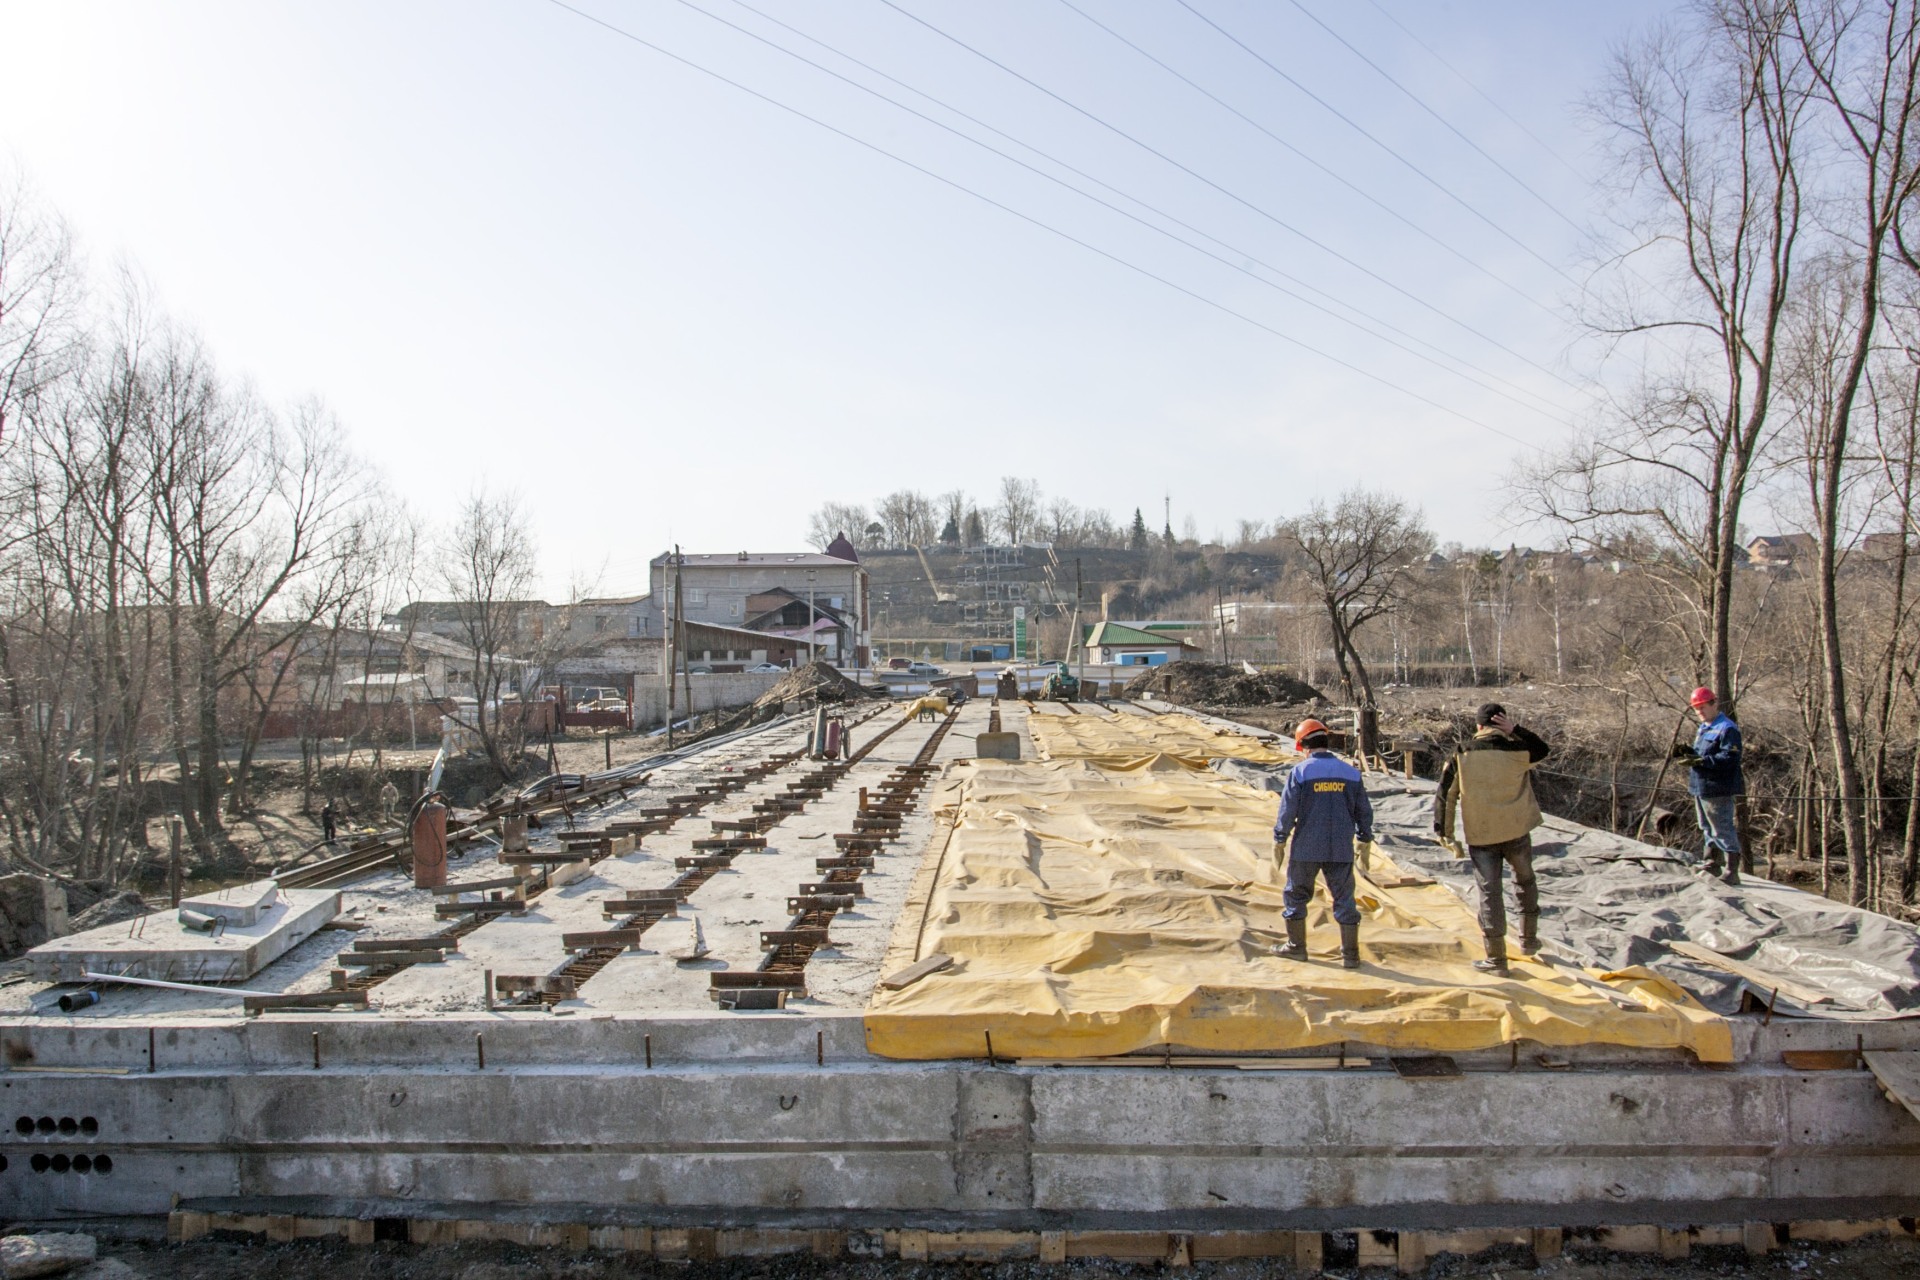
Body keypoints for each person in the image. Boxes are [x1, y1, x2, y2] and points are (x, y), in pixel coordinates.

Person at [1434, 703, 1550, 974]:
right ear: (1503, 725)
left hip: (1482, 835)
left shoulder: (1462, 753)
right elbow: (1542, 750)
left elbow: (1445, 796)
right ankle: (1528, 940)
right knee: (1525, 881)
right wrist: (1516, 730)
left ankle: (1497, 959)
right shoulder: (1518, 751)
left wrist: (1445, 833)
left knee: (1490, 894)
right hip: (1517, 830)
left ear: (1478, 726)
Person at [1273, 718, 1374, 969]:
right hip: (1340, 847)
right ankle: (1350, 955)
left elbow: (1287, 810)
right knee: (1344, 898)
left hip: (1306, 847)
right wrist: (1364, 838)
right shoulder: (1351, 773)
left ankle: (1296, 947)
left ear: (1304, 746)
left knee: (1296, 895)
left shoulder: (1300, 772)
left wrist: (1280, 838)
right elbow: (1363, 810)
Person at [1674, 686, 1744, 886]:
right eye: (1697, 709)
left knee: (1721, 827)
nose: (1700, 712)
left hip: (1718, 787)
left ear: (1714, 704)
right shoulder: (1704, 727)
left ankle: (1731, 870)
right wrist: (1689, 753)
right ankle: (1712, 862)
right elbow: (1702, 753)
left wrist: (1702, 761)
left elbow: (1730, 757)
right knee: (1705, 826)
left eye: (1703, 707)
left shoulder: (1727, 728)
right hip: (1701, 785)